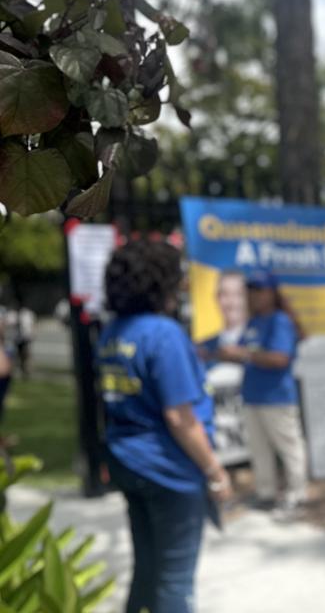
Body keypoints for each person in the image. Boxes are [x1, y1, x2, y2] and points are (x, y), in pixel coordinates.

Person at [96, 240, 231, 613]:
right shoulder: (164, 334)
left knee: (148, 565)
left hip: (129, 460)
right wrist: (215, 472)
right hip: (169, 469)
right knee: (175, 580)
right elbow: (180, 418)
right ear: (161, 282)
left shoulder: (113, 333)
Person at [216, 269, 308, 517]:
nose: (253, 295)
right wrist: (230, 355)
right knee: (259, 449)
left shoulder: (280, 320)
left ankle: (297, 495)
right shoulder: (255, 321)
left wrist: (243, 354)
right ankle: (266, 493)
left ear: (271, 292)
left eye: (258, 290)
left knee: (289, 447)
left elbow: (279, 358)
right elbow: (250, 355)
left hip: (277, 397)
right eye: (250, 290)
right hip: (253, 395)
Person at [195, 270, 250, 361]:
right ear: (217, 298)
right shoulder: (203, 348)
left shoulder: (263, 344)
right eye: (225, 294)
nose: (231, 302)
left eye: (238, 294)